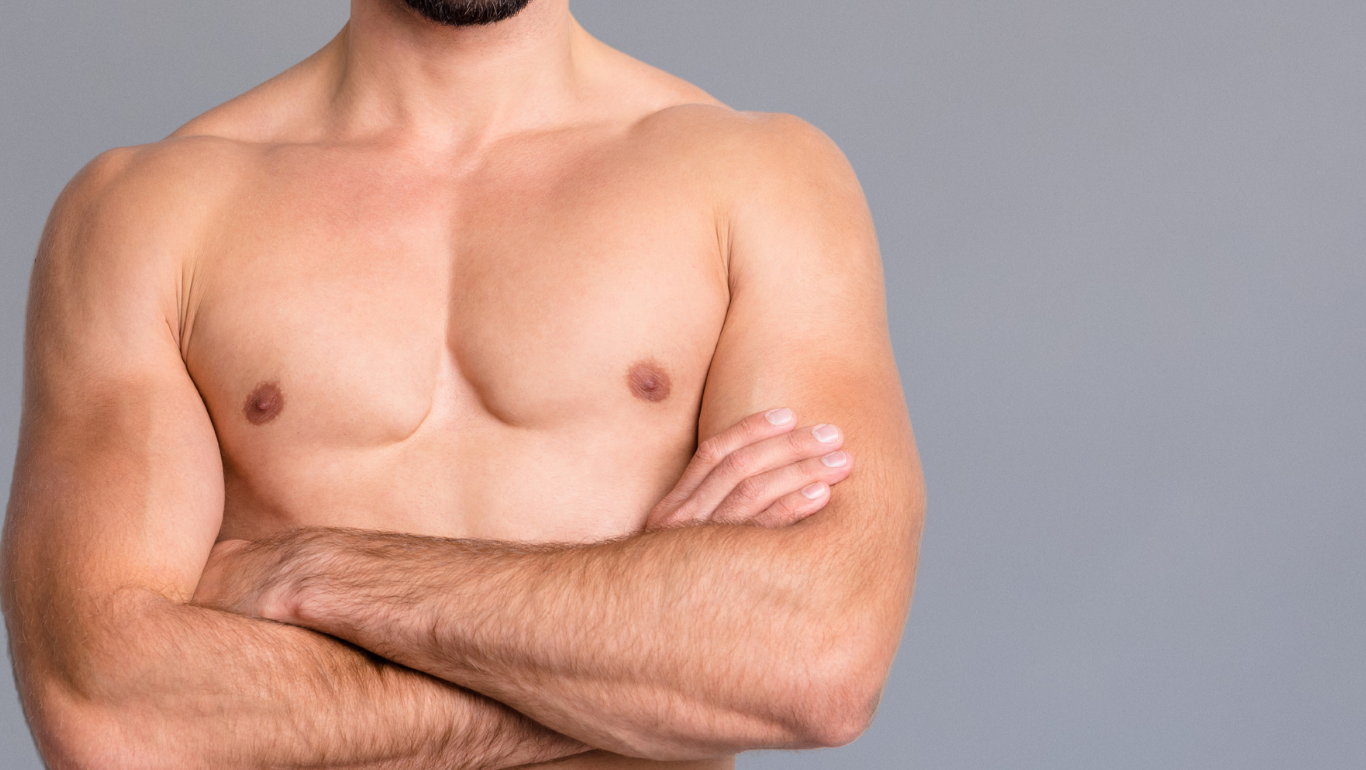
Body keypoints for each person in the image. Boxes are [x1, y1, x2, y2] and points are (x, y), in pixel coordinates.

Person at [0, 1, 925, 768]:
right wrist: (646, 672)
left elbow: (818, 659)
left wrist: (316, 574)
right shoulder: (148, 214)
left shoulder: (758, 180)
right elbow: (106, 717)